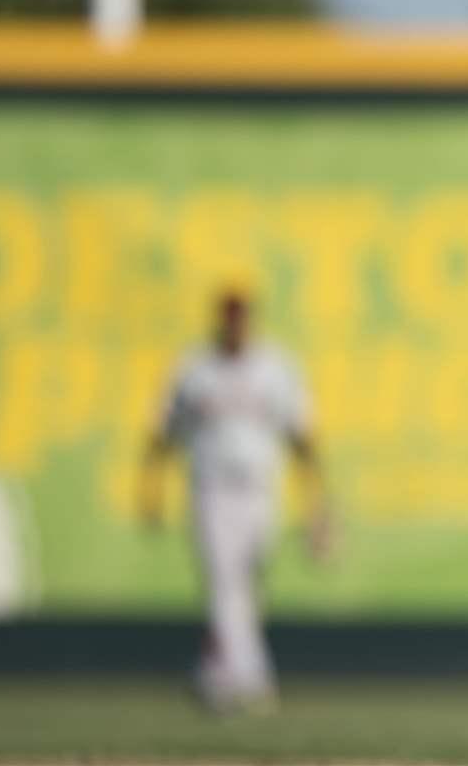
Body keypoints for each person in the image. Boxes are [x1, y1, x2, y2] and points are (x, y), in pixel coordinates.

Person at [138, 289, 330, 713]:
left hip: (260, 489)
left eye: (242, 318)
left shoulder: (276, 368)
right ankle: (251, 675)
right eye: (229, 318)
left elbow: (302, 438)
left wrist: (318, 504)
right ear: (219, 320)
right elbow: (163, 434)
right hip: (211, 488)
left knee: (250, 580)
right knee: (225, 581)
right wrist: (151, 490)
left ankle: (216, 670)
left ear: (252, 321)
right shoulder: (195, 369)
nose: (235, 326)